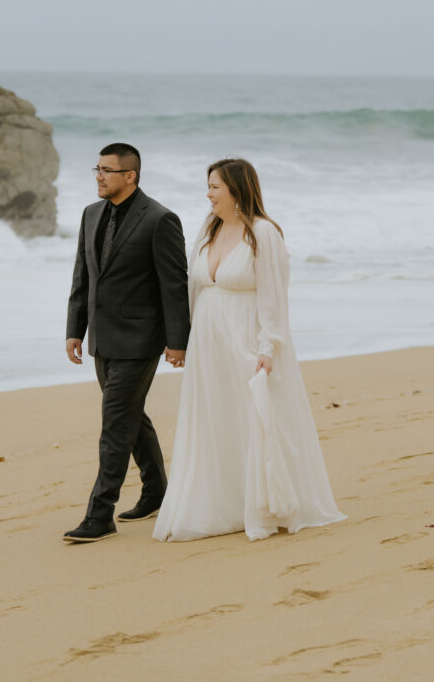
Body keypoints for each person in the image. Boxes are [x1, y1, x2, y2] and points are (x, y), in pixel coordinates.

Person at [153, 157, 346, 543]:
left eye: (214, 187)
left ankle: (263, 503)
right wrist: (180, 340)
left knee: (254, 419)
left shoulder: (264, 233)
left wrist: (268, 348)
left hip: (247, 340)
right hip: (209, 342)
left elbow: (274, 296)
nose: (207, 194)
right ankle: (222, 502)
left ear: (236, 190)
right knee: (215, 418)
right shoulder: (209, 230)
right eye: (208, 186)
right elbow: (194, 290)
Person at [63, 143, 190, 543]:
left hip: (140, 340)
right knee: (132, 417)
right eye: (97, 169)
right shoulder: (90, 214)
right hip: (103, 338)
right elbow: (83, 276)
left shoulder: (159, 219)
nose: (99, 176)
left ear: (130, 176)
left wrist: (178, 341)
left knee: (115, 424)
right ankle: (157, 492)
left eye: (107, 170)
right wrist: (74, 329)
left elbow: (174, 284)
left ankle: (100, 515)